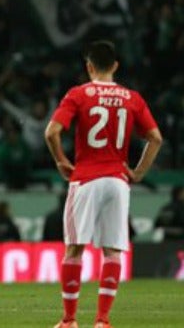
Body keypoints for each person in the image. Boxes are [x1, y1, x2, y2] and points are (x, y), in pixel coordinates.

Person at [44, 40, 163, 328]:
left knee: (74, 248)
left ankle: (70, 320)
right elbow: (156, 138)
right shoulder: (131, 97)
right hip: (118, 181)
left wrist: (61, 160)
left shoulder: (78, 94)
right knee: (112, 250)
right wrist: (138, 172)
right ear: (115, 66)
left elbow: (52, 132)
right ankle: (103, 320)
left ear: (88, 66)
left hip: (85, 178)